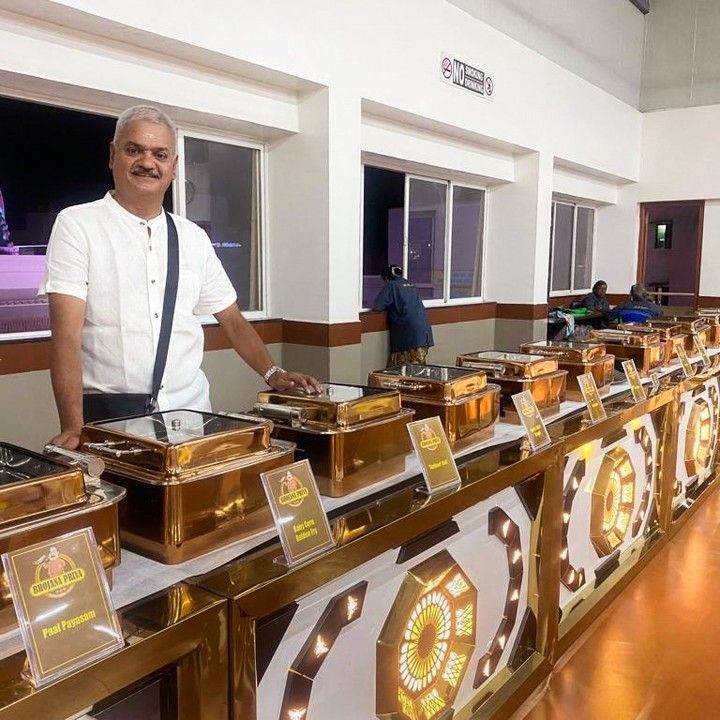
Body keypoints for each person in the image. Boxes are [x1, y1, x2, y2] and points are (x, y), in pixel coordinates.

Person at [41, 105, 321, 450]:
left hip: (190, 417)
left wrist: (272, 373)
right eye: (134, 150)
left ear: (173, 167)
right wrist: (73, 426)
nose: (147, 162)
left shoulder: (192, 237)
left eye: (160, 154)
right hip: (113, 422)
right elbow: (66, 336)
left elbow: (233, 321)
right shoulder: (77, 225)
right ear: (113, 156)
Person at [372, 264, 433, 366]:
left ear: (387, 278)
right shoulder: (410, 284)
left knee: (402, 370)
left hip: (408, 336)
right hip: (423, 334)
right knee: (418, 368)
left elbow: (378, 306)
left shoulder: (391, 285)